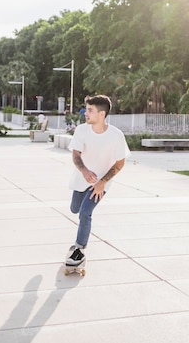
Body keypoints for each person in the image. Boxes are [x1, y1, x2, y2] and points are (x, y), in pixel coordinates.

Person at [65, 94, 131, 266]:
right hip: (81, 179)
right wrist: (84, 171)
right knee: (75, 209)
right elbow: (75, 154)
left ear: (101, 114)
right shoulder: (81, 130)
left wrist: (102, 182)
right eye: (86, 109)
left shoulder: (116, 135)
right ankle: (79, 245)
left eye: (89, 110)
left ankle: (79, 250)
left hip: (101, 183)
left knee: (85, 213)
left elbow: (120, 162)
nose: (85, 113)